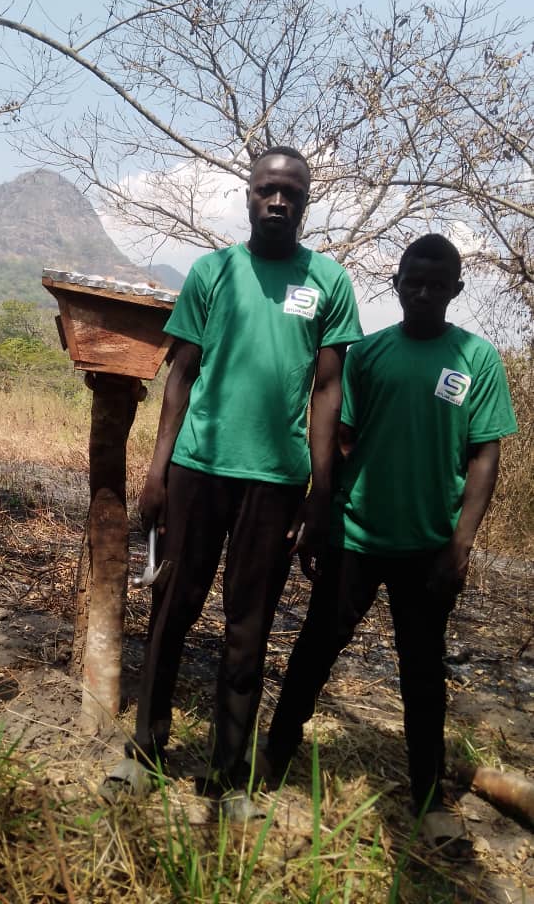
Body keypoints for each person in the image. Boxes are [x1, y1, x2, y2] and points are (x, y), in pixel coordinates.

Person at [102, 146, 363, 817]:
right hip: (199, 470)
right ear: (248, 195)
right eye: (267, 189)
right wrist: (158, 471)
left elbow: (328, 390)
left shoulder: (329, 282)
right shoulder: (212, 272)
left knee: (249, 629)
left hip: (276, 483)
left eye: (291, 193)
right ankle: (146, 751)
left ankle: (228, 776)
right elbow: (181, 376)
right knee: (172, 611)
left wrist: (320, 492)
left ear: (305, 202)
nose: (278, 201)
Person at [265, 234, 518, 853]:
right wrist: (318, 513)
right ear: (397, 283)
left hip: (429, 547)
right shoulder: (369, 354)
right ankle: (273, 758)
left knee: (423, 673)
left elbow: (484, 455)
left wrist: (461, 546)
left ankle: (428, 798)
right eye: (414, 281)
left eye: (438, 284)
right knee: (315, 649)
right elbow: (339, 438)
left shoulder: (477, 359)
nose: (424, 293)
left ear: (456, 289)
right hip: (356, 535)